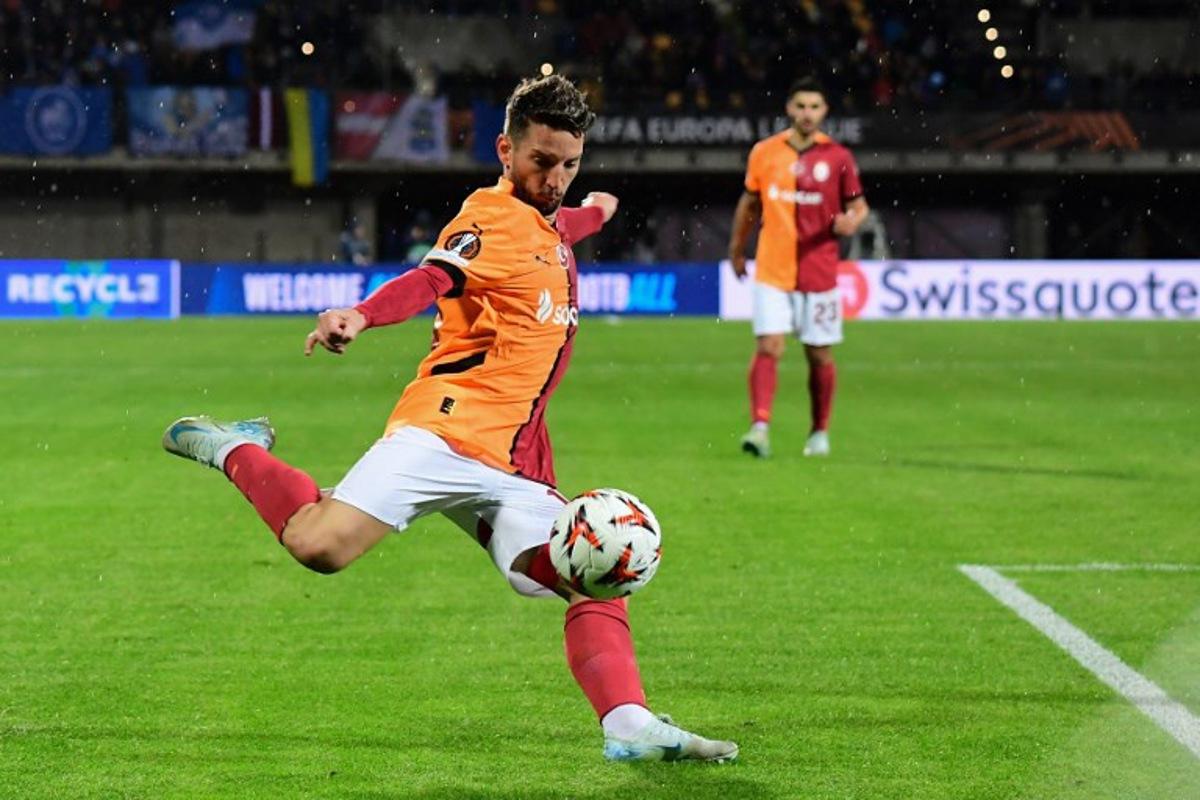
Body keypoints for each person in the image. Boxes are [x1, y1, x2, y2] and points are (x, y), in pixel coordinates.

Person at [162, 74, 737, 764]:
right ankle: (236, 448)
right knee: (320, 548)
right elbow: (432, 278)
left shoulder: (550, 220)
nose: (555, 178)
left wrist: (596, 212)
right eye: (542, 162)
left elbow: (561, 229)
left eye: (570, 164)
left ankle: (628, 723)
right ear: (505, 149)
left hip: (515, 463)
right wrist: (361, 315)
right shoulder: (486, 218)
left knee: (593, 564)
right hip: (444, 431)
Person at [727, 76, 869, 458]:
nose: (807, 114)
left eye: (815, 107)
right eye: (801, 106)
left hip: (819, 272)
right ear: (789, 108)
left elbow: (859, 206)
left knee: (819, 353)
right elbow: (750, 204)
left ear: (825, 112)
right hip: (773, 268)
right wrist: (737, 248)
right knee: (769, 346)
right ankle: (759, 428)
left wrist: (851, 222)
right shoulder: (765, 152)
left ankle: (819, 433)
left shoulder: (838, 158)